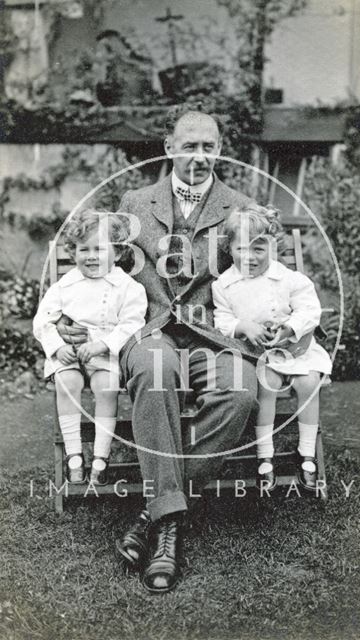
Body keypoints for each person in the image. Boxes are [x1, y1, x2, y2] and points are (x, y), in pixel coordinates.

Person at [56, 107, 259, 594]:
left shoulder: (239, 208)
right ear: (169, 147)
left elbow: (258, 278)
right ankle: (169, 531)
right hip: (149, 330)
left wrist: (265, 317)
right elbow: (107, 266)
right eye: (190, 145)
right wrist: (81, 317)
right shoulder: (135, 200)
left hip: (214, 335)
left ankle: (154, 510)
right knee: (154, 365)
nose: (200, 156)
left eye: (209, 146)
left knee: (243, 394)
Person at [212, 203, 332, 492]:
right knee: (267, 385)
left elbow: (310, 311)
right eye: (242, 249)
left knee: (308, 382)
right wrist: (243, 326)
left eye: (259, 249)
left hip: (297, 349)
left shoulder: (290, 279)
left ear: (272, 246)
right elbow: (222, 320)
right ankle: (264, 455)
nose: (250, 257)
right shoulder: (224, 285)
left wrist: (290, 328)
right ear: (229, 248)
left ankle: (306, 452)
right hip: (260, 355)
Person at [33, 209, 147, 485]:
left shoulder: (127, 287)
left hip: (103, 353)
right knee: (67, 382)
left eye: (100, 249)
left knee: (106, 386)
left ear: (117, 253)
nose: (92, 256)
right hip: (68, 352)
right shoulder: (66, 284)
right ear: (73, 253)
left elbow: (132, 323)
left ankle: (100, 457)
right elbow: (42, 320)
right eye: (84, 250)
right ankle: (74, 455)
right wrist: (58, 347)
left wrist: (101, 345)